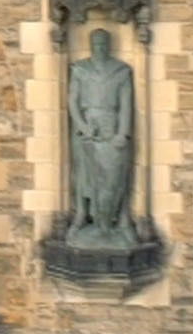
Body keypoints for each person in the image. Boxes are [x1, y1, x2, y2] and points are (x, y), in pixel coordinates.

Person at [66, 28, 134, 247]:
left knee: (116, 176)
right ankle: (82, 215)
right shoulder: (81, 69)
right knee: (84, 176)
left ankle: (120, 220)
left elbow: (126, 106)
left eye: (104, 43)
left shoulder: (120, 71)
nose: (100, 48)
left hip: (111, 127)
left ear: (109, 44)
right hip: (87, 129)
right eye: (96, 44)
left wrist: (122, 133)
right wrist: (82, 126)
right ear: (91, 45)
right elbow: (72, 101)